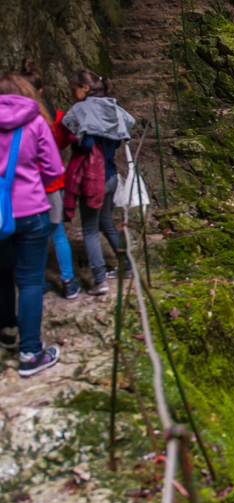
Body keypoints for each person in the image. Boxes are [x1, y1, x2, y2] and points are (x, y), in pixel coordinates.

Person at [0, 73, 64, 376]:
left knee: (1, 274)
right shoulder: (35, 122)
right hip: (30, 211)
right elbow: (53, 169)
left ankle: (6, 332)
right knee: (28, 282)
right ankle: (29, 352)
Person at [62, 70, 135, 296]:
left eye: (74, 89)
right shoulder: (113, 108)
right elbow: (128, 124)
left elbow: (83, 142)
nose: (73, 94)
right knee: (105, 221)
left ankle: (100, 279)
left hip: (93, 178)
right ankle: (127, 264)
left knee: (90, 230)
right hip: (111, 175)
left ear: (85, 88)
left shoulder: (82, 110)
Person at [19, 59, 80, 299]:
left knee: (30, 237)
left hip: (23, 187)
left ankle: (35, 280)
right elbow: (63, 144)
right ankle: (68, 280)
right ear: (41, 91)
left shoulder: (11, 121)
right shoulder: (55, 117)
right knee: (57, 234)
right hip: (52, 185)